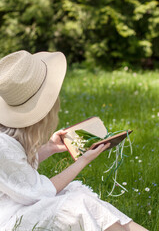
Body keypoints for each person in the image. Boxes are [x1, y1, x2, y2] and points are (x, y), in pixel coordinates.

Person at [0, 50, 148, 231]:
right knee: (75, 205)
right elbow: (36, 191)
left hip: (14, 205)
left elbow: (16, 171)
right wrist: (83, 161)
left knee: (77, 193)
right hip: (8, 218)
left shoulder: (5, 141)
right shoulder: (2, 146)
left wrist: (50, 147)